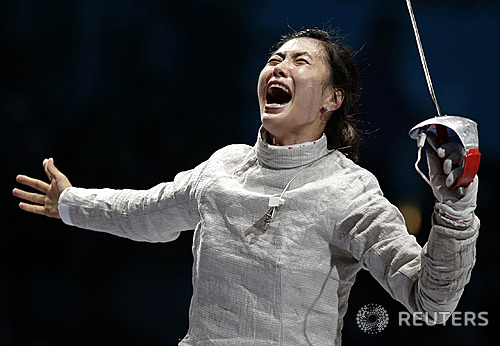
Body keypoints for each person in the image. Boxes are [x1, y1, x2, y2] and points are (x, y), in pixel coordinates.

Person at [13, 29, 479, 345]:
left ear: (332, 99)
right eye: (275, 58)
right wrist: (71, 202)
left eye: (300, 61)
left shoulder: (349, 190)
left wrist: (455, 210)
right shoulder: (225, 166)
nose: (279, 67)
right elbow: (146, 212)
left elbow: (431, 300)